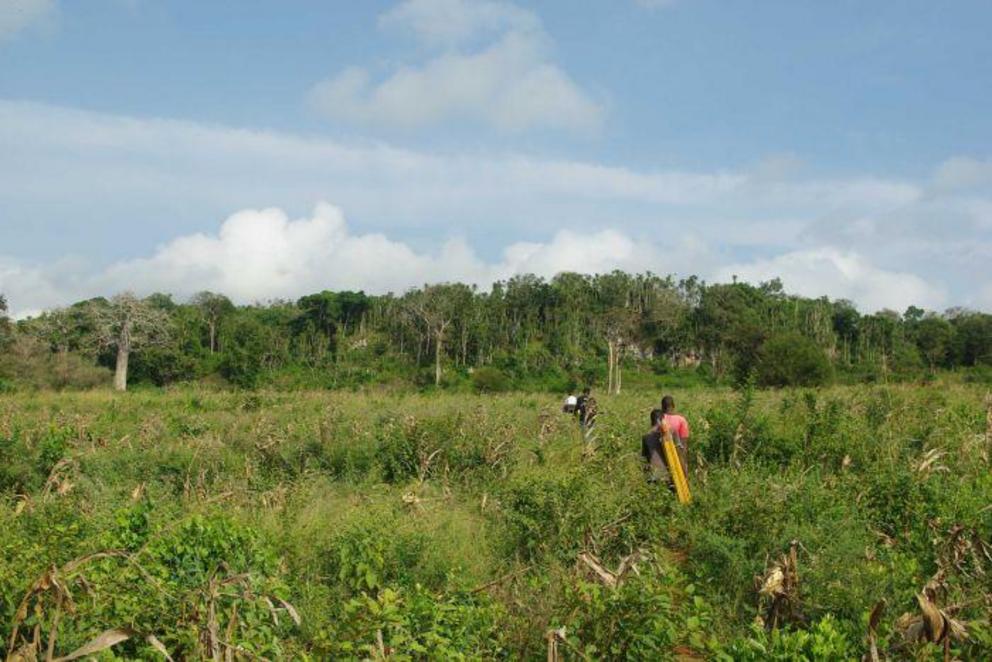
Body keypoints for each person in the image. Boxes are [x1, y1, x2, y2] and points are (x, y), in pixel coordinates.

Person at [660, 395, 690, 474]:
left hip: (663, 456)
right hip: (677, 456)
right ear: (673, 406)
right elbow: (684, 443)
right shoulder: (681, 420)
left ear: (662, 407)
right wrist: (684, 464)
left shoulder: (660, 419)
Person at [641, 408, 667, 483]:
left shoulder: (646, 437)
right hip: (666, 475)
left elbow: (644, 457)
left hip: (652, 475)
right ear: (660, 420)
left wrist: (646, 475)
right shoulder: (665, 435)